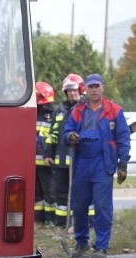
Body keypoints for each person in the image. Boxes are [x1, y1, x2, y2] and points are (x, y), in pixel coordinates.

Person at [63, 74, 131, 258]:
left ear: (103, 88)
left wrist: (122, 164)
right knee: (79, 205)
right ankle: (81, 243)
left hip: (103, 163)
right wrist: (70, 137)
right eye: (90, 87)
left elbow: (123, 138)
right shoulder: (78, 111)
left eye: (96, 86)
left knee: (102, 206)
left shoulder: (114, 111)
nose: (93, 90)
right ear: (85, 88)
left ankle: (101, 246)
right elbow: (67, 131)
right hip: (82, 163)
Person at [44, 74, 85, 228]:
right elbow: (53, 135)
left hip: (78, 161)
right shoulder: (59, 111)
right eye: (69, 91)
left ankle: (78, 223)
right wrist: (48, 154)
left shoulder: (85, 109)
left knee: (78, 193)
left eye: (74, 90)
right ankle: (61, 223)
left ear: (81, 90)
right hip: (61, 161)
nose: (72, 94)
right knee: (60, 193)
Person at [34, 82, 56, 225]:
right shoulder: (33, 114)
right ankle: (38, 218)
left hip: (46, 161)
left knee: (50, 193)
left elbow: (53, 138)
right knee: (37, 193)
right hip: (34, 162)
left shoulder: (53, 114)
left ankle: (50, 219)